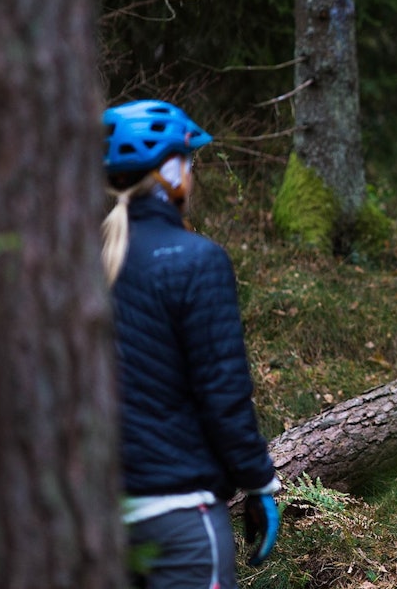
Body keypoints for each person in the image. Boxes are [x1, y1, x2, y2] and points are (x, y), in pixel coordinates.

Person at [102, 99, 281, 587]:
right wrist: (260, 482)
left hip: (92, 521)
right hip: (180, 519)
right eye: (191, 163)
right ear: (173, 171)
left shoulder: (82, 259)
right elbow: (222, 394)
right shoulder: (197, 260)